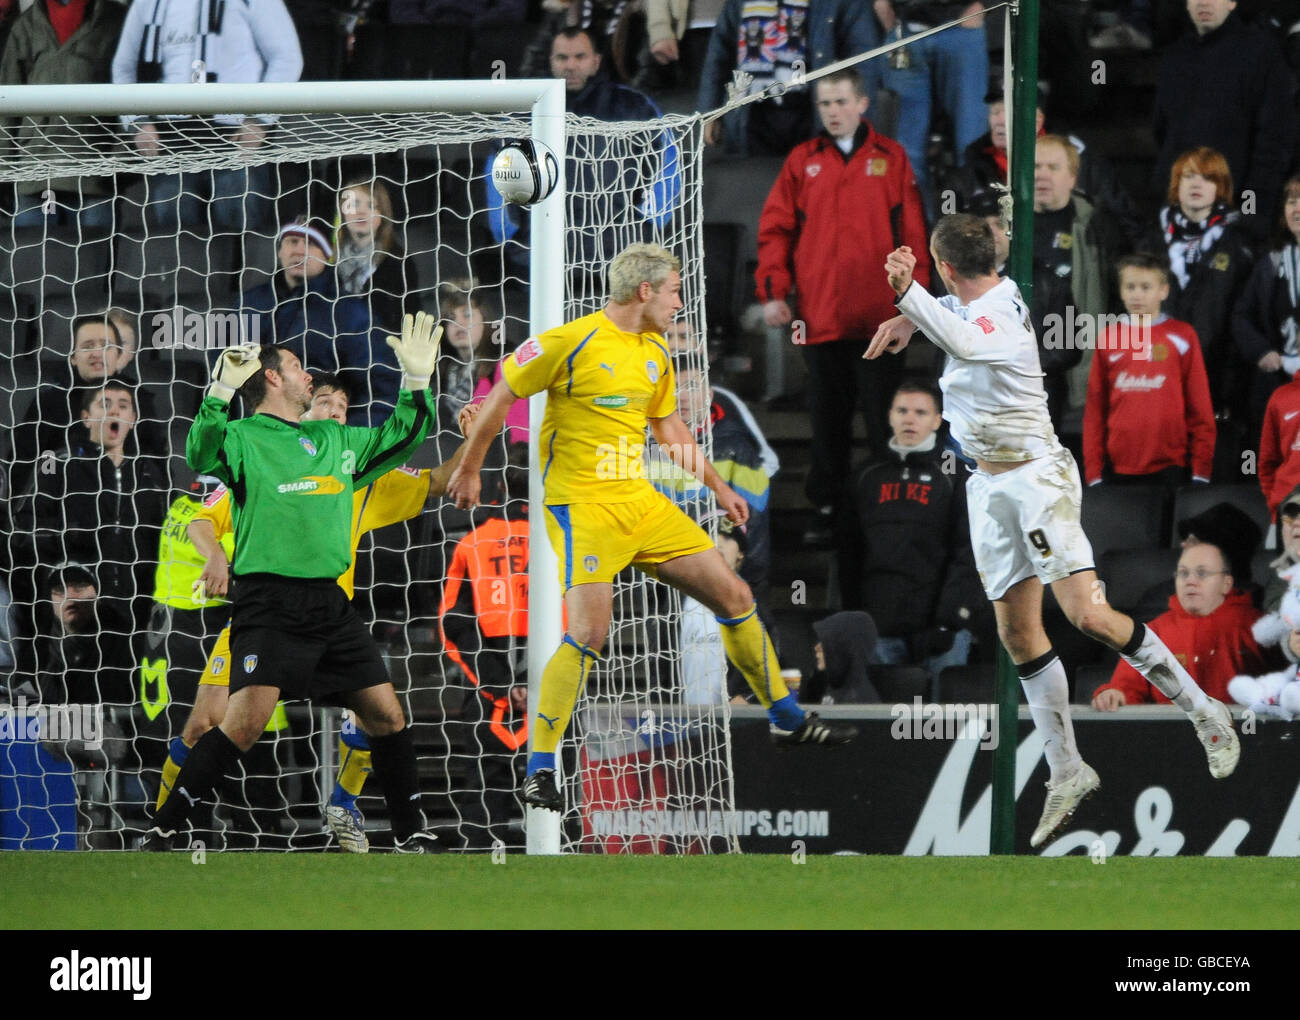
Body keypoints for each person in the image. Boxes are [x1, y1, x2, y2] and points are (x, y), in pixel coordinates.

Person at [865, 213, 1240, 850]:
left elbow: (969, 340)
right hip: (987, 487)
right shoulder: (972, 296)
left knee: (1088, 615)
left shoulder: (998, 317)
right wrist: (913, 313)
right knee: (1017, 632)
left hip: (1037, 478)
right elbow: (956, 316)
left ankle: (1206, 714)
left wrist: (907, 295)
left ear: (945, 266)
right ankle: (1068, 769)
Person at [447, 242, 857, 813]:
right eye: (674, 291)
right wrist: (470, 466)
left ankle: (786, 719)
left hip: (642, 504)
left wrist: (718, 487)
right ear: (644, 292)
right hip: (583, 507)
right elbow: (501, 396)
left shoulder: (655, 351)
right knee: (588, 634)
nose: (679, 303)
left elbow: (669, 430)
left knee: (736, 595)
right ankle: (540, 766)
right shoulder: (569, 341)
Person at [138, 313, 445, 853]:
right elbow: (200, 454)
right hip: (269, 603)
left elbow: (401, 439)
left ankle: (409, 834)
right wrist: (219, 392)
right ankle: (166, 825)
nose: (311, 378)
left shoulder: (333, 440)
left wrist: (417, 383)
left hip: (330, 605)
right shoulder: (243, 438)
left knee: (387, 714)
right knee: (242, 726)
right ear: (273, 378)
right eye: (299, 368)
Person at [756, 68, 930, 569]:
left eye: (839, 101)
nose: (830, 110)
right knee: (826, 423)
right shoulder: (801, 161)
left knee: (883, 424)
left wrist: (914, 304)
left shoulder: (891, 159)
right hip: (819, 319)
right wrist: (773, 291)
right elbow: (775, 231)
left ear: (862, 103)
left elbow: (914, 233)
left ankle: (887, 512)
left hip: (880, 320)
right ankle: (826, 511)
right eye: (824, 103)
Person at [486, 26, 679, 307]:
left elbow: (666, 166)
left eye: (579, 57)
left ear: (596, 61)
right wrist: (512, 236)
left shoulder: (634, 106)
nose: (571, 65)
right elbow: (499, 178)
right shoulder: (520, 114)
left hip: (617, 261)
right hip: (541, 260)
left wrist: (646, 230)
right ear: (551, 61)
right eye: (562, 58)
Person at [110, 0, 303, 233]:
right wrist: (137, 122)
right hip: (170, 142)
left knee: (238, 237)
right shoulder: (148, 3)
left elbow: (286, 57)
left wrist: (260, 120)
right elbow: (123, 67)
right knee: (176, 241)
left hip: (235, 140)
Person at [853, 380, 989, 678]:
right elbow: (850, 550)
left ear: (938, 420)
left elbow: (969, 553)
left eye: (920, 412)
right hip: (878, 626)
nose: (910, 419)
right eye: (902, 410)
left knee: (946, 723)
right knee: (879, 721)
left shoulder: (956, 476)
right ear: (890, 416)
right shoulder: (866, 475)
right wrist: (857, 617)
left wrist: (950, 619)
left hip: (942, 629)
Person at [11, 378, 169, 629]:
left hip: (137, 607)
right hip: (72, 604)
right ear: (86, 417)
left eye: (123, 405)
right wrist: (68, 535)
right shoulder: (57, 463)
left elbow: (164, 536)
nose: (115, 410)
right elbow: (24, 529)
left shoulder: (151, 475)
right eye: (104, 404)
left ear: (134, 418)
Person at [438, 441, 530, 850]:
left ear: (500, 485)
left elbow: (452, 624)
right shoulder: (568, 542)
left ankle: (482, 866)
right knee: (557, 787)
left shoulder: (474, 542)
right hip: (550, 695)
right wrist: (533, 682)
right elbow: (587, 622)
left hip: (488, 691)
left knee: (484, 791)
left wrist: (499, 684)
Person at [1152, 0, 1296, 242]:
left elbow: (1275, 139)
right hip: (1179, 213)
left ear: (1232, 3)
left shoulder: (1261, 53)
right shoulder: (1174, 56)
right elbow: (1163, 131)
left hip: (1237, 216)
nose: (1204, 2)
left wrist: (1252, 210)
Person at [240, 216, 399, 426]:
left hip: (322, 440)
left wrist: (348, 440)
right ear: (279, 251)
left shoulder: (350, 311)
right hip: (255, 434)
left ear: (328, 255)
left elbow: (381, 387)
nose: (299, 250)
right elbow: (218, 365)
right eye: (292, 241)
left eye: (311, 243)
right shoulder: (247, 302)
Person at [1083, 253, 1215, 489]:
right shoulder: (1108, 337)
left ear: (1163, 291)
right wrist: (1093, 471)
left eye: (1146, 287)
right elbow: (1095, 412)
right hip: (1118, 468)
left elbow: (1201, 408)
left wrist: (1201, 470)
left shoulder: (1182, 336)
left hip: (1172, 466)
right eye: (1130, 287)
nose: (1137, 294)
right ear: (1121, 291)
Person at [1092, 540, 1274, 709]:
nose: (1190, 581)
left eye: (1202, 573)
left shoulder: (1258, 626)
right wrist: (1115, 695)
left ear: (1226, 583)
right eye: (1183, 573)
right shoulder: (1153, 632)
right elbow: (1126, 687)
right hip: (1172, 736)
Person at [1145, 146, 1255, 418]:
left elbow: (1243, 320)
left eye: (1208, 178)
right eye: (1189, 176)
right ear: (1176, 184)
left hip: (1216, 384)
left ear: (1221, 187)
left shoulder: (1239, 246)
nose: (1196, 183)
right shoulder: (1149, 243)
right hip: (1155, 377)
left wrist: (1230, 389)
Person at [0, 0, 125, 230]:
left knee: (94, 260)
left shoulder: (114, 21)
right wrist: (4, 173)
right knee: (34, 261)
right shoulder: (26, 26)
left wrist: (119, 164)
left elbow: (129, 90)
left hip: (93, 174)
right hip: (35, 174)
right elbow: (7, 108)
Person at [696, 0, 878, 156]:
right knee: (755, 191)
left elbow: (863, 59)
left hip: (813, 113)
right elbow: (719, 53)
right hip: (752, 115)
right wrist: (709, 111)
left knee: (816, 189)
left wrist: (858, 116)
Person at [1031, 133, 1124, 432]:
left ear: (1073, 177)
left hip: (1076, 363)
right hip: (1019, 366)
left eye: (1053, 167)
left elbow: (1117, 296)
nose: (1042, 175)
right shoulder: (1001, 225)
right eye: (1035, 167)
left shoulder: (1097, 225)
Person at [871, 0, 989, 210]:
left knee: (971, 139)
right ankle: (915, 233)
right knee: (905, 150)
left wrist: (981, 6)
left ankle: (976, 229)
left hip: (961, 26)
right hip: (905, 28)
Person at [1232, 174, 1300, 434]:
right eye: (1292, 201)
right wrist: (1261, 351)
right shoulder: (1270, 263)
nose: (1297, 208)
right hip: (1282, 384)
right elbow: (1241, 316)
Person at [334, 176, 420, 335]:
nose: (360, 212)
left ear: (383, 214)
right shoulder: (328, 261)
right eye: (353, 205)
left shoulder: (399, 262)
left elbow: (408, 319)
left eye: (371, 205)